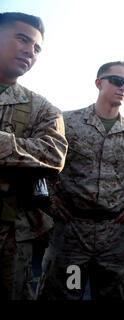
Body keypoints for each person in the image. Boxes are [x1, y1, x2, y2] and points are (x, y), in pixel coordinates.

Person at [36, 61, 124, 300]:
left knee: (111, 295)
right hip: (71, 237)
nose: (123, 87)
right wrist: (48, 199)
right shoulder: (68, 123)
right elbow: (39, 163)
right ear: (99, 83)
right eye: (117, 81)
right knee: (66, 294)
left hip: (113, 239)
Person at [0, 12, 67, 300]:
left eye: (37, 47)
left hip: (13, 235)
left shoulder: (43, 108)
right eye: (23, 39)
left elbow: (53, 155)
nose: (30, 50)